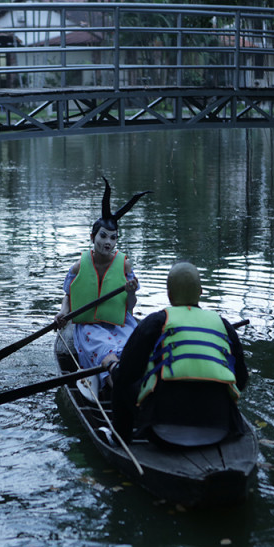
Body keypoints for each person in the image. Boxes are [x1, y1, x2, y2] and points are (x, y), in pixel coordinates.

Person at [110, 262, 249, 446]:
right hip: (221, 429)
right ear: (200, 291)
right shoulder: (223, 325)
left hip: (162, 432)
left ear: (169, 294)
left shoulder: (156, 322)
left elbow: (125, 374)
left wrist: (111, 366)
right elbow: (241, 380)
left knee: (120, 378)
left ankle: (119, 438)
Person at [55, 177, 151, 386]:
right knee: (107, 353)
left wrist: (132, 292)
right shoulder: (79, 266)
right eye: (103, 236)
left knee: (134, 351)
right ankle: (116, 382)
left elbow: (130, 306)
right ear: (93, 237)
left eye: (113, 238)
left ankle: (138, 387)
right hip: (90, 325)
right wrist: (63, 313)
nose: (108, 242)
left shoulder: (125, 266)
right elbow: (69, 296)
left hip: (120, 323)